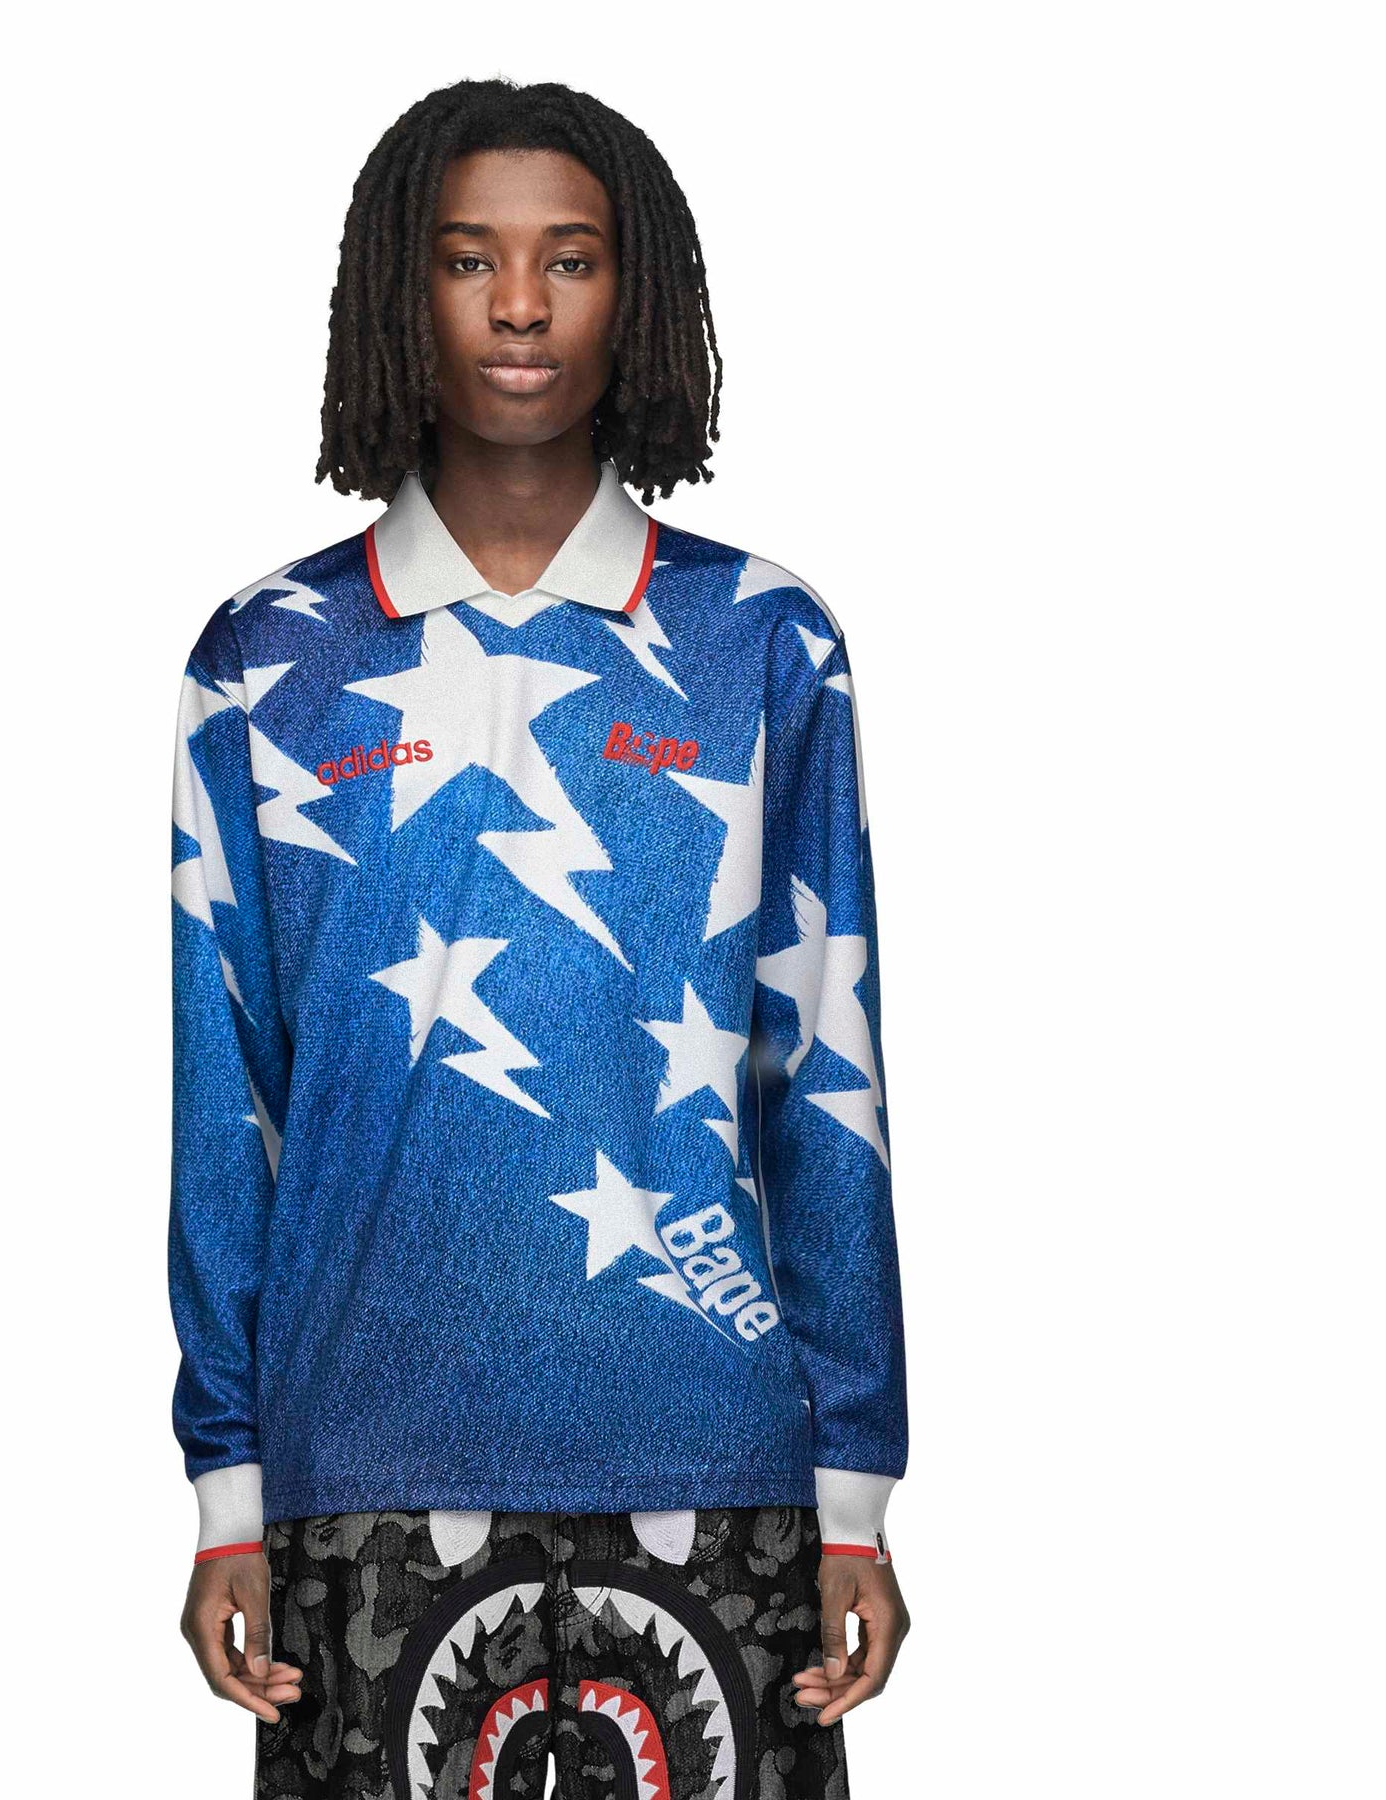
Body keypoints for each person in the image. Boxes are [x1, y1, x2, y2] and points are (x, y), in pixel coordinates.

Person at [169, 77, 910, 1800]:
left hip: (718, 1465)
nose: (519, 306)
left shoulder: (764, 645)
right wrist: (226, 1492)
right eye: (468, 260)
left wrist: (856, 1494)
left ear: (633, 294)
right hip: (358, 1477)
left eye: (569, 260)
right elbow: (225, 1097)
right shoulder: (266, 660)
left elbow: (831, 1076)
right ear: (397, 293)